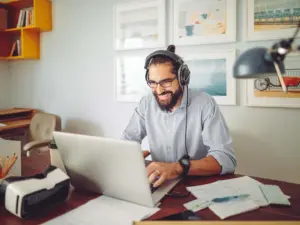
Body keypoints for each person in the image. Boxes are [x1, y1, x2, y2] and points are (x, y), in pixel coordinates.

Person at [121, 45, 236, 188]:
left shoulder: (205, 104)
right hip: (159, 184)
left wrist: (177, 168)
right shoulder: (146, 104)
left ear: (183, 78)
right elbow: (126, 142)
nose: (159, 90)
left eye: (166, 82)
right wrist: (129, 154)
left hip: (197, 186)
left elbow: (226, 159)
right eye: (153, 83)